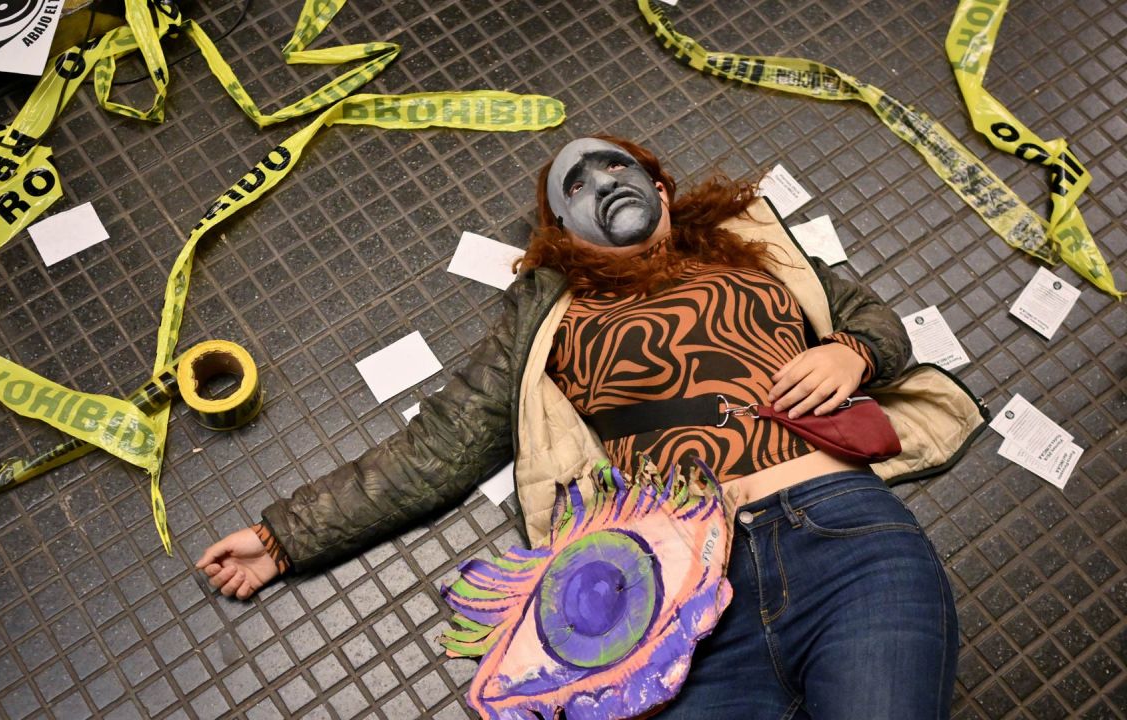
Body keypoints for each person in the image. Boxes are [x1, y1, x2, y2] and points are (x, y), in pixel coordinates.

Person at [196, 136, 985, 719]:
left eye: (617, 164)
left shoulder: (754, 255)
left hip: (848, 542)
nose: (603, 180)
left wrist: (852, 350)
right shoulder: (551, 311)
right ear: (562, 231)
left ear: (661, 188)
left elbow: (872, 318)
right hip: (679, 590)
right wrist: (286, 536)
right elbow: (439, 445)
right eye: (575, 183)